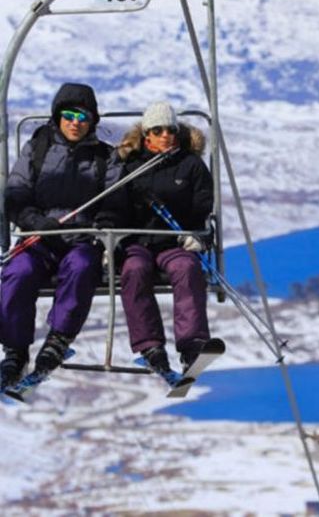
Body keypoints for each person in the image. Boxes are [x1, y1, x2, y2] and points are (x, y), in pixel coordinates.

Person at [0, 82, 124, 388]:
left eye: (83, 117)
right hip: (41, 236)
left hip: (81, 237)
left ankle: (58, 339)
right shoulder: (37, 149)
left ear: (92, 121)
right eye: (69, 115)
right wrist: (34, 220)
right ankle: (15, 352)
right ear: (58, 117)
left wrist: (101, 224)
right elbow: (16, 193)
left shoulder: (104, 157)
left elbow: (115, 200)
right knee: (18, 272)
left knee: (82, 268)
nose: (75, 123)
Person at [118, 101, 215, 375]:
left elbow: (202, 205)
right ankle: (150, 346)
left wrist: (198, 235)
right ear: (146, 134)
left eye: (170, 130)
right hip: (138, 242)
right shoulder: (131, 166)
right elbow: (115, 206)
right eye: (157, 130)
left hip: (175, 241)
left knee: (186, 268)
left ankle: (192, 345)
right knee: (134, 270)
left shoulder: (190, 165)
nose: (165, 136)